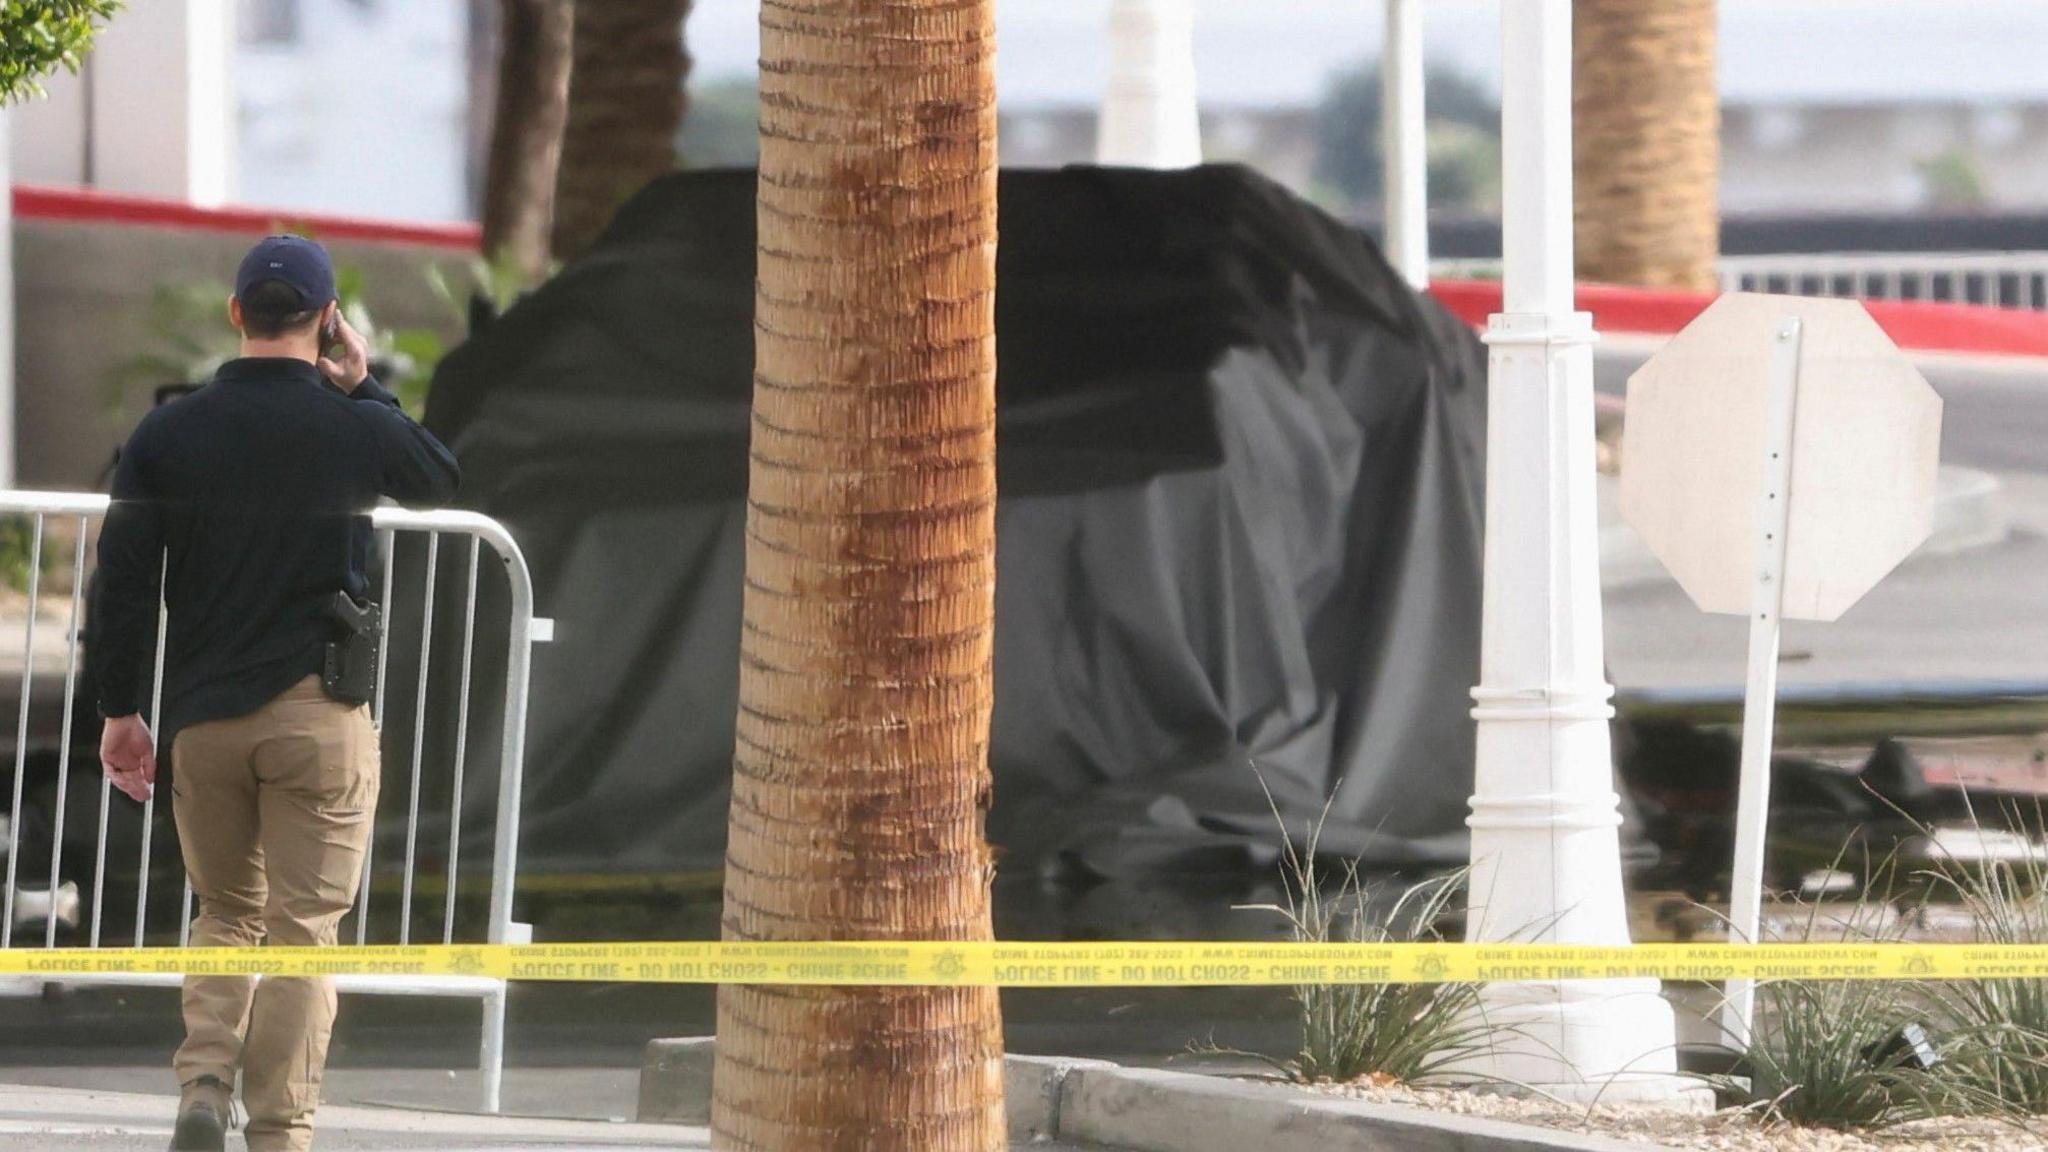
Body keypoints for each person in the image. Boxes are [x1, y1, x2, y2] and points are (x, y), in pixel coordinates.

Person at [92, 235, 461, 1152]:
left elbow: (124, 580)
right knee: (303, 932)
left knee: (225, 912)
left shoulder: (167, 433)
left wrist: (120, 709)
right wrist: (365, 385)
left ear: (236, 316)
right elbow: (441, 478)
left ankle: (204, 1085)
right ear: (329, 321)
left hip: (204, 720)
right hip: (319, 715)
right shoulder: (354, 425)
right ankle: (280, 1131)